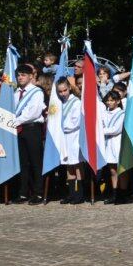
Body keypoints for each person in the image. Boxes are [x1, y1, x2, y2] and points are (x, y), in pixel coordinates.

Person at [13, 64, 46, 203]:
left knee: (35, 162)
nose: (20, 77)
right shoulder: (15, 93)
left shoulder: (37, 92)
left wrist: (14, 121)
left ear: (31, 76)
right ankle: (24, 192)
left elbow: (32, 112)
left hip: (32, 129)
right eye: (19, 75)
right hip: (19, 129)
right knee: (22, 163)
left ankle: (38, 193)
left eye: (23, 75)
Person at [53, 77, 85, 205]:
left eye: (65, 90)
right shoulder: (59, 103)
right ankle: (71, 193)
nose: (63, 93)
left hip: (74, 136)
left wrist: (61, 126)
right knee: (68, 165)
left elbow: (76, 121)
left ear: (69, 88)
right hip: (64, 138)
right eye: (60, 91)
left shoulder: (76, 102)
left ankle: (80, 194)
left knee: (77, 164)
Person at [100, 90, 125, 203]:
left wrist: (100, 131)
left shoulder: (121, 113)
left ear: (118, 101)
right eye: (108, 100)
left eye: (112, 100)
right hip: (107, 144)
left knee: (121, 170)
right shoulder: (105, 113)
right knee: (112, 171)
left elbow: (116, 129)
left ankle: (122, 194)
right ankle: (114, 194)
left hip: (117, 143)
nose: (109, 103)